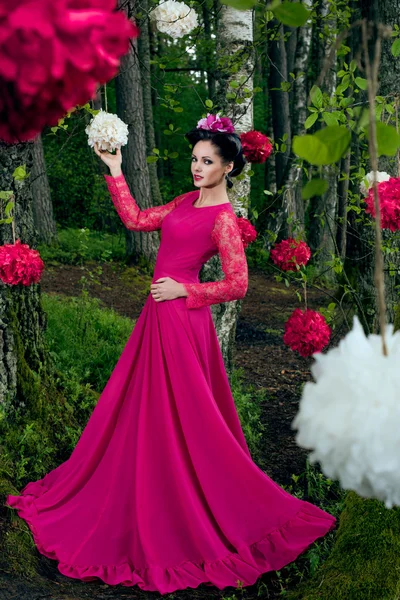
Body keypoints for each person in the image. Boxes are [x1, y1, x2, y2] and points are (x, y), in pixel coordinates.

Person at [5, 116, 336, 595]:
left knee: (186, 418)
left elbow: (238, 284)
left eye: (207, 162)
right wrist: (115, 169)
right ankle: (147, 482)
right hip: (155, 321)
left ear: (227, 168)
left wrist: (186, 288)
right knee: (143, 410)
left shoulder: (224, 220)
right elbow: (138, 220)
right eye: (195, 159)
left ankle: (191, 499)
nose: (197, 167)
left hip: (183, 323)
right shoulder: (185, 201)